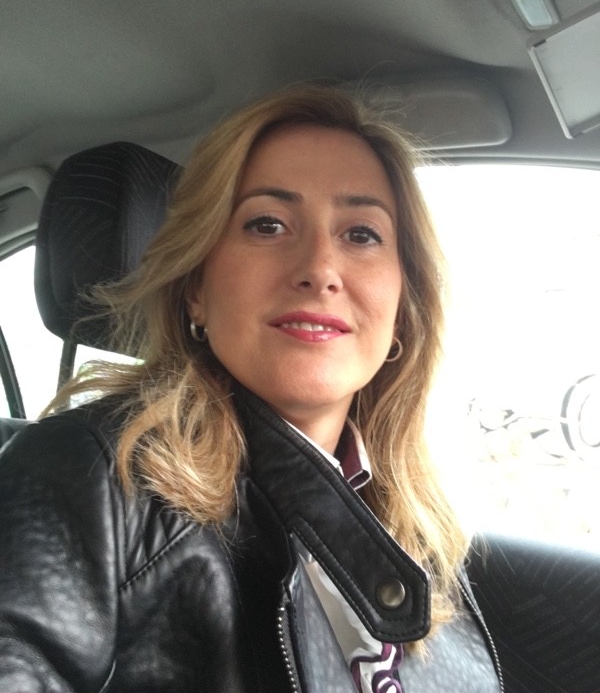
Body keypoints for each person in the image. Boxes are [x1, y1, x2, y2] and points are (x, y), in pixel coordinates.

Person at [0, 85, 502, 692]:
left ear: (402, 305)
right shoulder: (85, 480)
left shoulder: (416, 527)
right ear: (196, 289)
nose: (320, 268)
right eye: (267, 224)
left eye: (362, 234)